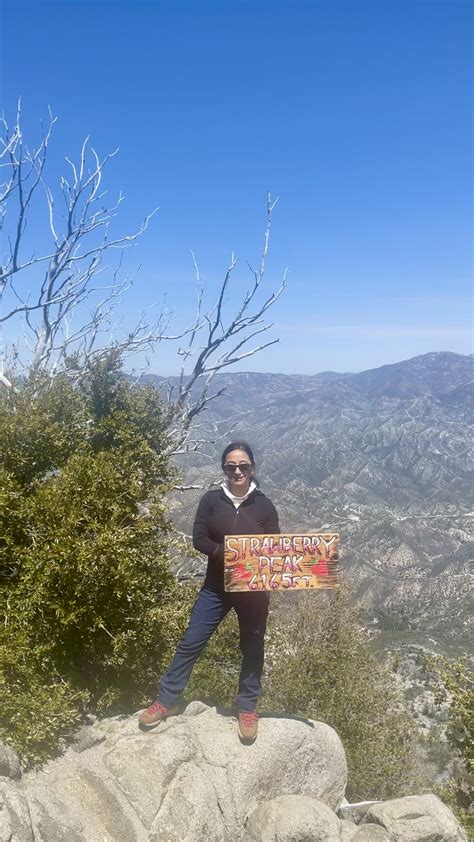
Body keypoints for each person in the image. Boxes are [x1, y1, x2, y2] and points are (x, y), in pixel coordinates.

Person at [138, 441, 280, 742]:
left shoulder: (265, 506)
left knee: (252, 648)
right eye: (231, 467)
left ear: (252, 468)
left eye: (243, 466)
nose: (237, 471)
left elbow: (275, 549)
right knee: (191, 641)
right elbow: (199, 539)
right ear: (224, 469)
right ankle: (166, 700)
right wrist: (227, 554)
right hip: (216, 588)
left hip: (252, 590)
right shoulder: (211, 501)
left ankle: (247, 707)